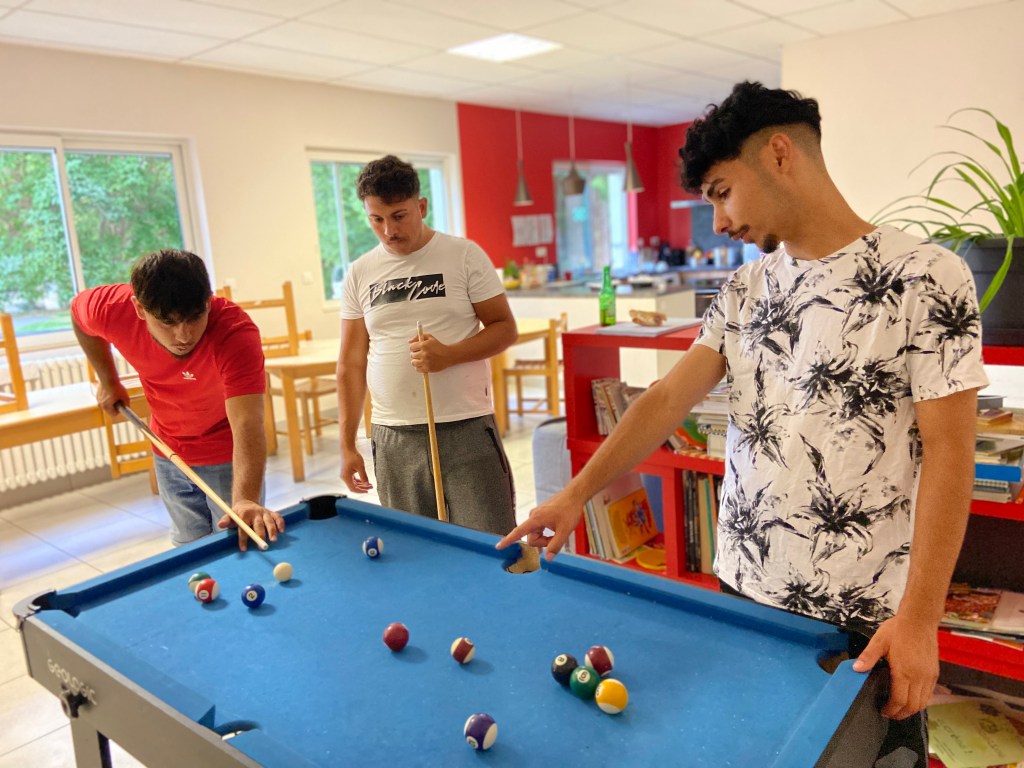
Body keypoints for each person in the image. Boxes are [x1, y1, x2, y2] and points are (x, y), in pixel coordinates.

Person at [498, 82, 988, 766]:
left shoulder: (927, 275)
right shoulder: (742, 288)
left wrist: (921, 618)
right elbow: (666, 399)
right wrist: (575, 493)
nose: (719, 221)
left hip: (861, 616)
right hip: (742, 588)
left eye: (723, 192)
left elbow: (951, 453)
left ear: (780, 155)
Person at [337, 154, 518, 535]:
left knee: (490, 541)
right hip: (393, 433)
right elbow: (351, 364)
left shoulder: (464, 255)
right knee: (414, 548)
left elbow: (504, 328)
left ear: (421, 206)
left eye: (399, 216)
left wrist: (450, 355)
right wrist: (347, 444)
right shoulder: (359, 273)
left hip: (465, 425)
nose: (389, 230)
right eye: (376, 219)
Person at [71, 249, 284, 550]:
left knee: (236, 549)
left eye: (195, 318)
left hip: (227, 455)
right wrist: (108, 380)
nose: (183, 335)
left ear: (208, 300)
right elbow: (77, 315)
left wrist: (246, 500)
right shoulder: (111, 308)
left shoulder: (235, 333)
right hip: (167, 450)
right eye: (167, 322)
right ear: (139, 308)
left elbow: (248, 421)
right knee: (189, 552)